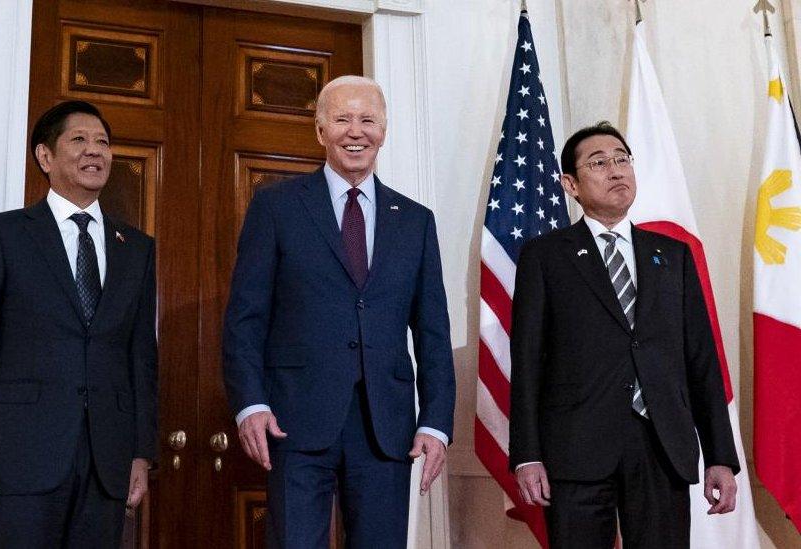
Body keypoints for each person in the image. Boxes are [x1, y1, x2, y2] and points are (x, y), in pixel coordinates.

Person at [222, 75, 456, 548]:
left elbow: (432, 330)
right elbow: (246, 318)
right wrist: (251, 402)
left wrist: (435, 422)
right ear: (320, 131)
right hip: (294, 418)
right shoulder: (276, 207)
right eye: (343, 118)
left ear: (384, 130)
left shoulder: (415, 221)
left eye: (368, 119)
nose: (356, 131)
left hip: (385, 427)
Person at [508, 121, 739, 548]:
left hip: (661, 446)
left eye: (622, 159)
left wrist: (721, 457)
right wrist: (527, 453)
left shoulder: (673, 256)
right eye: (599, 162)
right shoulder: (546, 256)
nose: (616, 171)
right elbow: (526, 362)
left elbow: (701, 362)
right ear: (571, 185)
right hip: (576, 449)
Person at [0, 101, 158, 547]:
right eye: (79, 140)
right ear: (45, 156)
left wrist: (141, 452)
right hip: (21, 453)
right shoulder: (3, 234)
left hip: (107, 459)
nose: (94, 151)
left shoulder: (135, 248)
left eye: (102, 142)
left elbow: (141, 356)